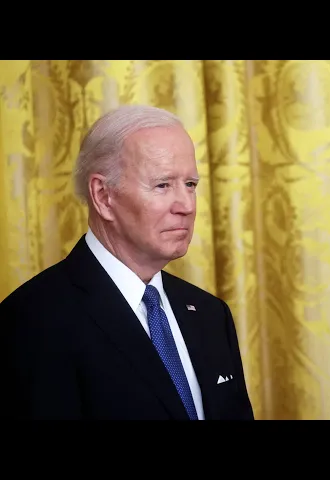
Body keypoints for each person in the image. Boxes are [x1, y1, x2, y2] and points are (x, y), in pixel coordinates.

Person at [0, 105, 254, 420]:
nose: (187, 206)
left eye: (190, 185)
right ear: (103, 196)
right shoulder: (32, 321)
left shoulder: (210, 314)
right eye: (163, 185)